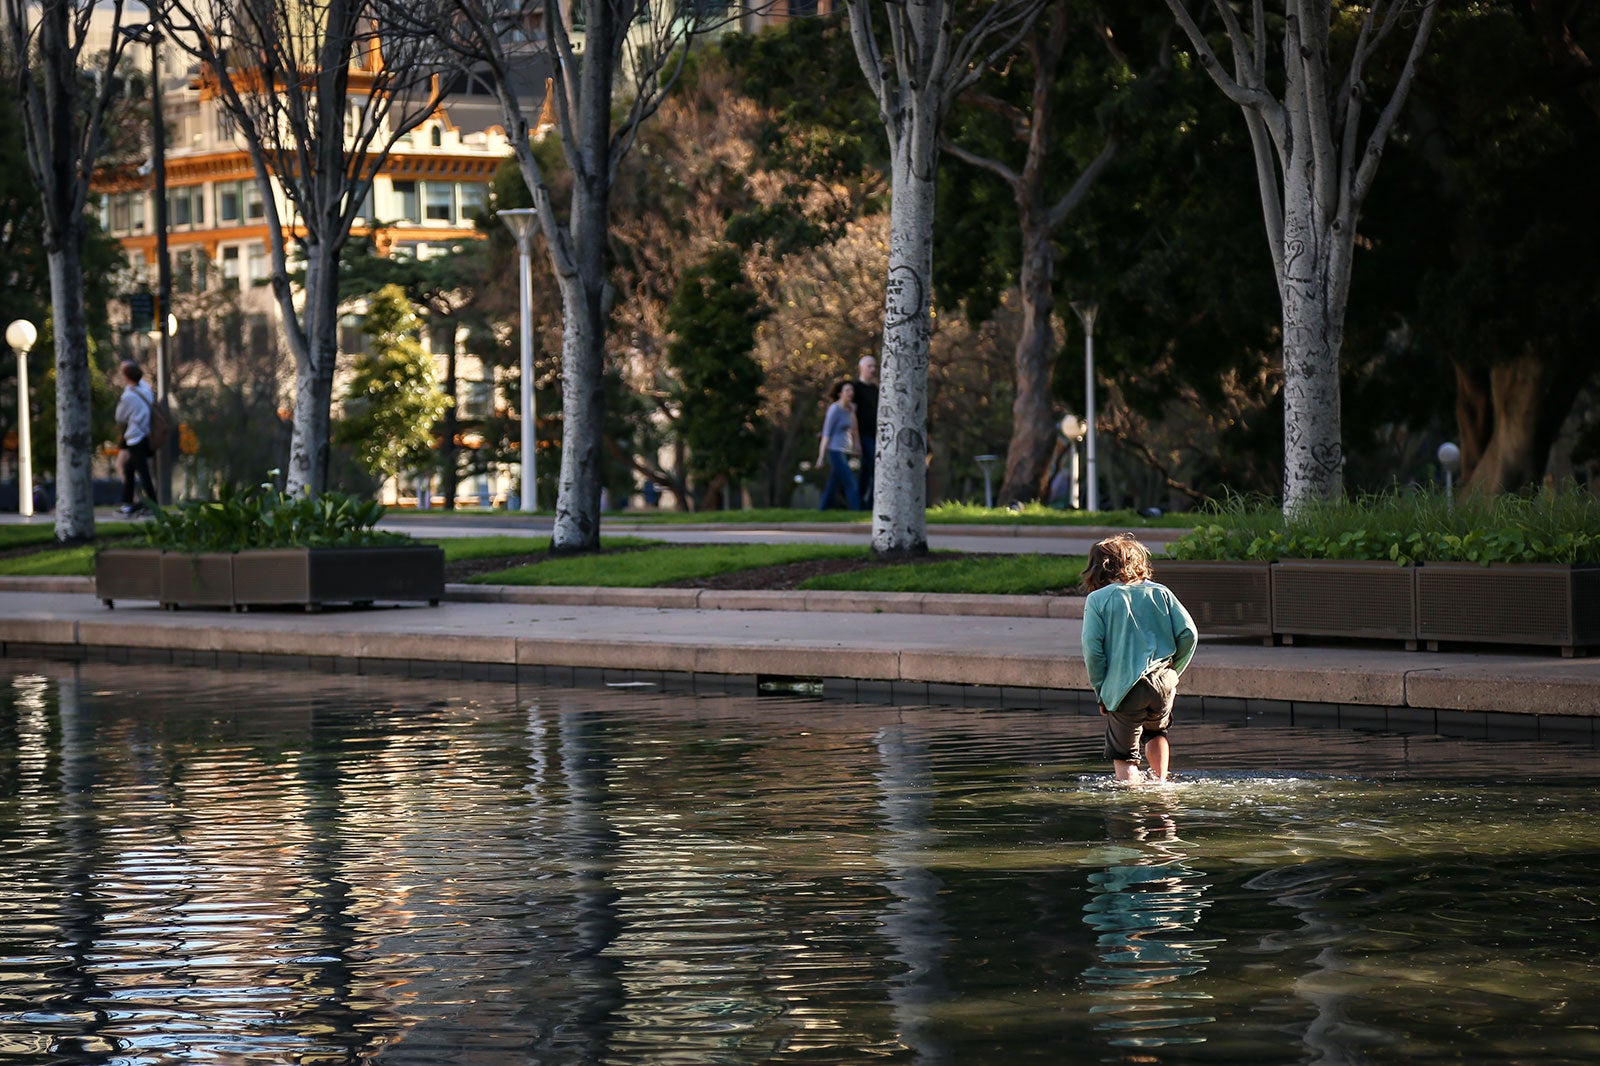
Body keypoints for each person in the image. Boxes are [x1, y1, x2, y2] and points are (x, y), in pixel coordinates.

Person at [1080, 534, 1198, 785]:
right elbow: (1189, 634)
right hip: (1164, 681)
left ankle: (1131, 807)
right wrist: (1175, 671)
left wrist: (1102, 692)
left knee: (1125, 756)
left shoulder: (1098, 600)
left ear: (1097, 568)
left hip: (1125, 688)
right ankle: (1162, 785)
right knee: (1156, 732)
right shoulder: (1161, 593)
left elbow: (1093, 651)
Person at [114, 360, 158, 515]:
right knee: (129, 469)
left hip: (135, 437)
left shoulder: (128, 397)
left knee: (142, 471)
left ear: (127, 377)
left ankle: (152, 503)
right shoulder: (145, 389)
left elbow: (120, 417)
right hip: (145, 435)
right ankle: (128, 502)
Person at [816, 379, 862, 511]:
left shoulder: (851, 409)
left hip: (846, 450)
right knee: (850, 482)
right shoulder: (834, 409)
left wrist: (856, 447)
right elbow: (826, 433)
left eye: (852, 390)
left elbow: (854, 429)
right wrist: (821, 457)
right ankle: (857, 510)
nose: (850, 393)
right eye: (847, 390)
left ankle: (822, 510)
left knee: (833, 484)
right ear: (840, 393)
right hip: (835, 450)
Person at [851, 355, 879, 509]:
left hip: (876, 435)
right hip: (863, 435)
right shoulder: (855, 389)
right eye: (869, 366)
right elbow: (852, 414)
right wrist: (855, 440)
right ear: (861, 367)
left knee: (866, 471)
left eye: (874, 366)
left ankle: (860, 504)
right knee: (875, 467)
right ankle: (868, 505)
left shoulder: (875, 390)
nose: (873, 370)